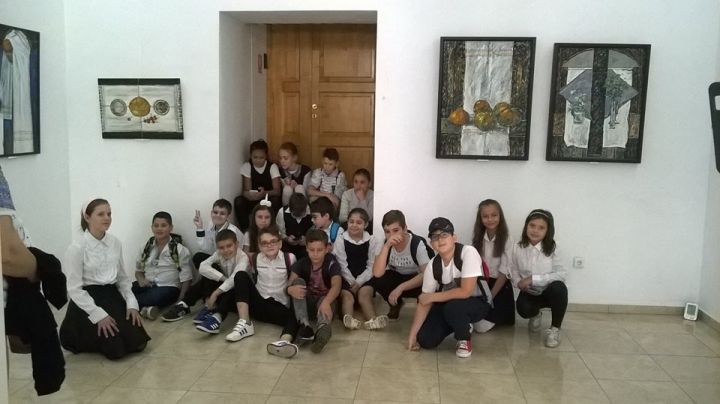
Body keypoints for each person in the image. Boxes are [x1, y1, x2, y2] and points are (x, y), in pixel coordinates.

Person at [59, 199, 150, 359]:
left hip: (111, 295)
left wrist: (132, 304)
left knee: (138, 342)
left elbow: (122, 278)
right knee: (116, 350)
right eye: (101, 214)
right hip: (87, 301)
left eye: (109, 214)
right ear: (87, 217)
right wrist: (98, 315)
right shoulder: (76, 248)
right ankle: (76, 333)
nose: (107, 218)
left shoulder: (115, 243)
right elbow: (74, 289)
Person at [407, 218, 492, 358]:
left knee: (453, 307)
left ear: (454, 237)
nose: (440, 240)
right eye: (435, 237)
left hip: (479, 302)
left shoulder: (468, 252)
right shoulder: (433, 265)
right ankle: (461, 323)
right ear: (431, 243)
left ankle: (464, 338)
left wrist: (432, 297)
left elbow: (466, 292)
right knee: (426, 339)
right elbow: (424, 301)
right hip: (449, 305)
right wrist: (413, 335)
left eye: (444, 235)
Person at [228, 226, 300, 358]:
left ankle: (283, 342)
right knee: (240, 275)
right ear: (260, 246)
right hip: (259, 303)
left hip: (279, 306)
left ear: (280, 243)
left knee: (295, 317)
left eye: (273, 241)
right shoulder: (256, 258)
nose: (269, 245)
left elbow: (293, 281)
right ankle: (245, 323)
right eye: (265, 243)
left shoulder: (290, 258)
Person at [359, 210, 433, 326]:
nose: (391, 235)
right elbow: (377, 273)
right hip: (397, 276)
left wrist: (401, 287)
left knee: (429, 285)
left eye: (396, 230)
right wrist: (387, 246)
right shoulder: (384, 243)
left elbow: (426, 274)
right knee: (378, 280)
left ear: (405, 229)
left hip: (416, 279)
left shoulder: (416, 243)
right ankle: (395, 304)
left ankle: (424, 313)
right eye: (387, 232)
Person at [161, 229, 248, 327]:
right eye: (221, 247)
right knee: (210, 271)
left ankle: (214, 312)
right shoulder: (218, 254)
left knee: (222, 281)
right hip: (224, 289)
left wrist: (215, 293)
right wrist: (223, 279)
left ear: (237, 244)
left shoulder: (243, 258)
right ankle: (186, 305)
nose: (226, 250)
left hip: (237, 296)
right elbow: (203, 266)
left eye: (229, 246)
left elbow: (234, 281)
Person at [510, 209, 567, 348]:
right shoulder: (517, 247)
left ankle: (555, 329)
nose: (535, 230)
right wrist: (519, 283)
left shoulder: (555, 247)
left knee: (559, 288)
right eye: (532, 225)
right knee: (523, 309)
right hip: (530, 291)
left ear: (548, 230)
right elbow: (513, 270)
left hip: (550, 291)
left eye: (541, 228)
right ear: (526, 226)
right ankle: (535, 315)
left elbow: (561, 274)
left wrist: (533, 279)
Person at [285, 229, 342, 354]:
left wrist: (326, 302)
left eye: (319, 250)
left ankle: (323, 329)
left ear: (326, 249)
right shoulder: (302, 263)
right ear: (306, 248)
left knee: (325, 301)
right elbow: (289, 284)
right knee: (297, 282)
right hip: (307, 303)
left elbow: (337, 285)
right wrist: (290, 289)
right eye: (312, 250)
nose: (315, 254)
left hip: (326, 302)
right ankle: (305, 325)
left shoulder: (332, 263)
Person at [132, 211, 193, 320]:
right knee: (125, 289)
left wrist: (180, 302)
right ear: (151, 227)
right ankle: (146, 308)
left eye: (163, 225)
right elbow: (138, 271)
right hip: (148, 285)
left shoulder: (180, 250)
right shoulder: (145, 247)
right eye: (156, 225)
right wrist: (141, 280)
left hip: (169, 288)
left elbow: (187, 279)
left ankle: (132, 305)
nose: (159, 229)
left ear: (171, 228)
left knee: (155, 296)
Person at [333, 208, 383, 330]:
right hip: (346, 277)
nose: (354, 225)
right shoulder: (340, 239)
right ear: (347, 222)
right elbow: (342, 265)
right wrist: (352, 282)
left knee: (364, 296)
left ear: (365, 225)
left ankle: (373, 320)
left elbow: (371, 265)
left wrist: (359, 282)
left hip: (365, 276)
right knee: (347, 297)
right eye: (351, 221)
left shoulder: (372, 240)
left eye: (359, 222)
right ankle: (349, 320)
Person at [471, 199, 515, 332]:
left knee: (480, 327)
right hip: (482, 284)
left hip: (499, 285)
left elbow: (504, 273)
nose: (490, 219)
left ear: (500, 216)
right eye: (485, 216)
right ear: (480, 219)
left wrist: (489, 297)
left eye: (494, 215)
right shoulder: (477, 238)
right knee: (469, 314)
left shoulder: (507, 239)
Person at [234, 140, 282, 231]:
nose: (258, 160)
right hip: (253, 200)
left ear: (266, 156)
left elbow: (277, 191)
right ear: (250, 156)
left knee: (275, 200)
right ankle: (246, 231)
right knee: (239, 201)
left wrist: (264, 193)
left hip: (267, 199)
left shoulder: (272, 167)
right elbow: (246, 190)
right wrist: (249, 195)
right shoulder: (247, 166)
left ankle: (271, 229)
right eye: (255, 157)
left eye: (261, 157)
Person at [1, 29, 34, 154]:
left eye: (10, 52)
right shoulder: (7, 78)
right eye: (6, 52)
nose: (7, 55)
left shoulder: (30, 71)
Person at [192, 198, 242, 270]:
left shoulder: (232, 231)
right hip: (220, 259)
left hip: (233, 263)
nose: (218, 215)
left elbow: (233, 256)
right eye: (215, 212)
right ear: (211, 213)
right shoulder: (211, 225)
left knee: (208, 267)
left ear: (228, 216)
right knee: (198, 257)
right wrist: (200, 227)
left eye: (222, 213)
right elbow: (205, 248)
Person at [277, 192, 313, 260]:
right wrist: (287, 239)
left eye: (301, 215)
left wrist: (307, 240)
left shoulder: (312, 211)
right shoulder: (282, 212)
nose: (298, 218)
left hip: (307, 246)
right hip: (288, 246)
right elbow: (280, 232)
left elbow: (316, 231)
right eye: (295, 215)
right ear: (290, 208)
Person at [277, 142, 311, 206]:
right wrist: (286, 183)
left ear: (294, 158)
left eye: (285, 158)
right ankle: (286, 210)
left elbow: (307, 191)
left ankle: (301, 210)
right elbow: (282, 191)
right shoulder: (280, 171)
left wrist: (296, 186)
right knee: (287, 189)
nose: (282, 161)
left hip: (303, 201)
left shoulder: (305, 170)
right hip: (287, 201)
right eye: (280, 158)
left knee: (299, 188)